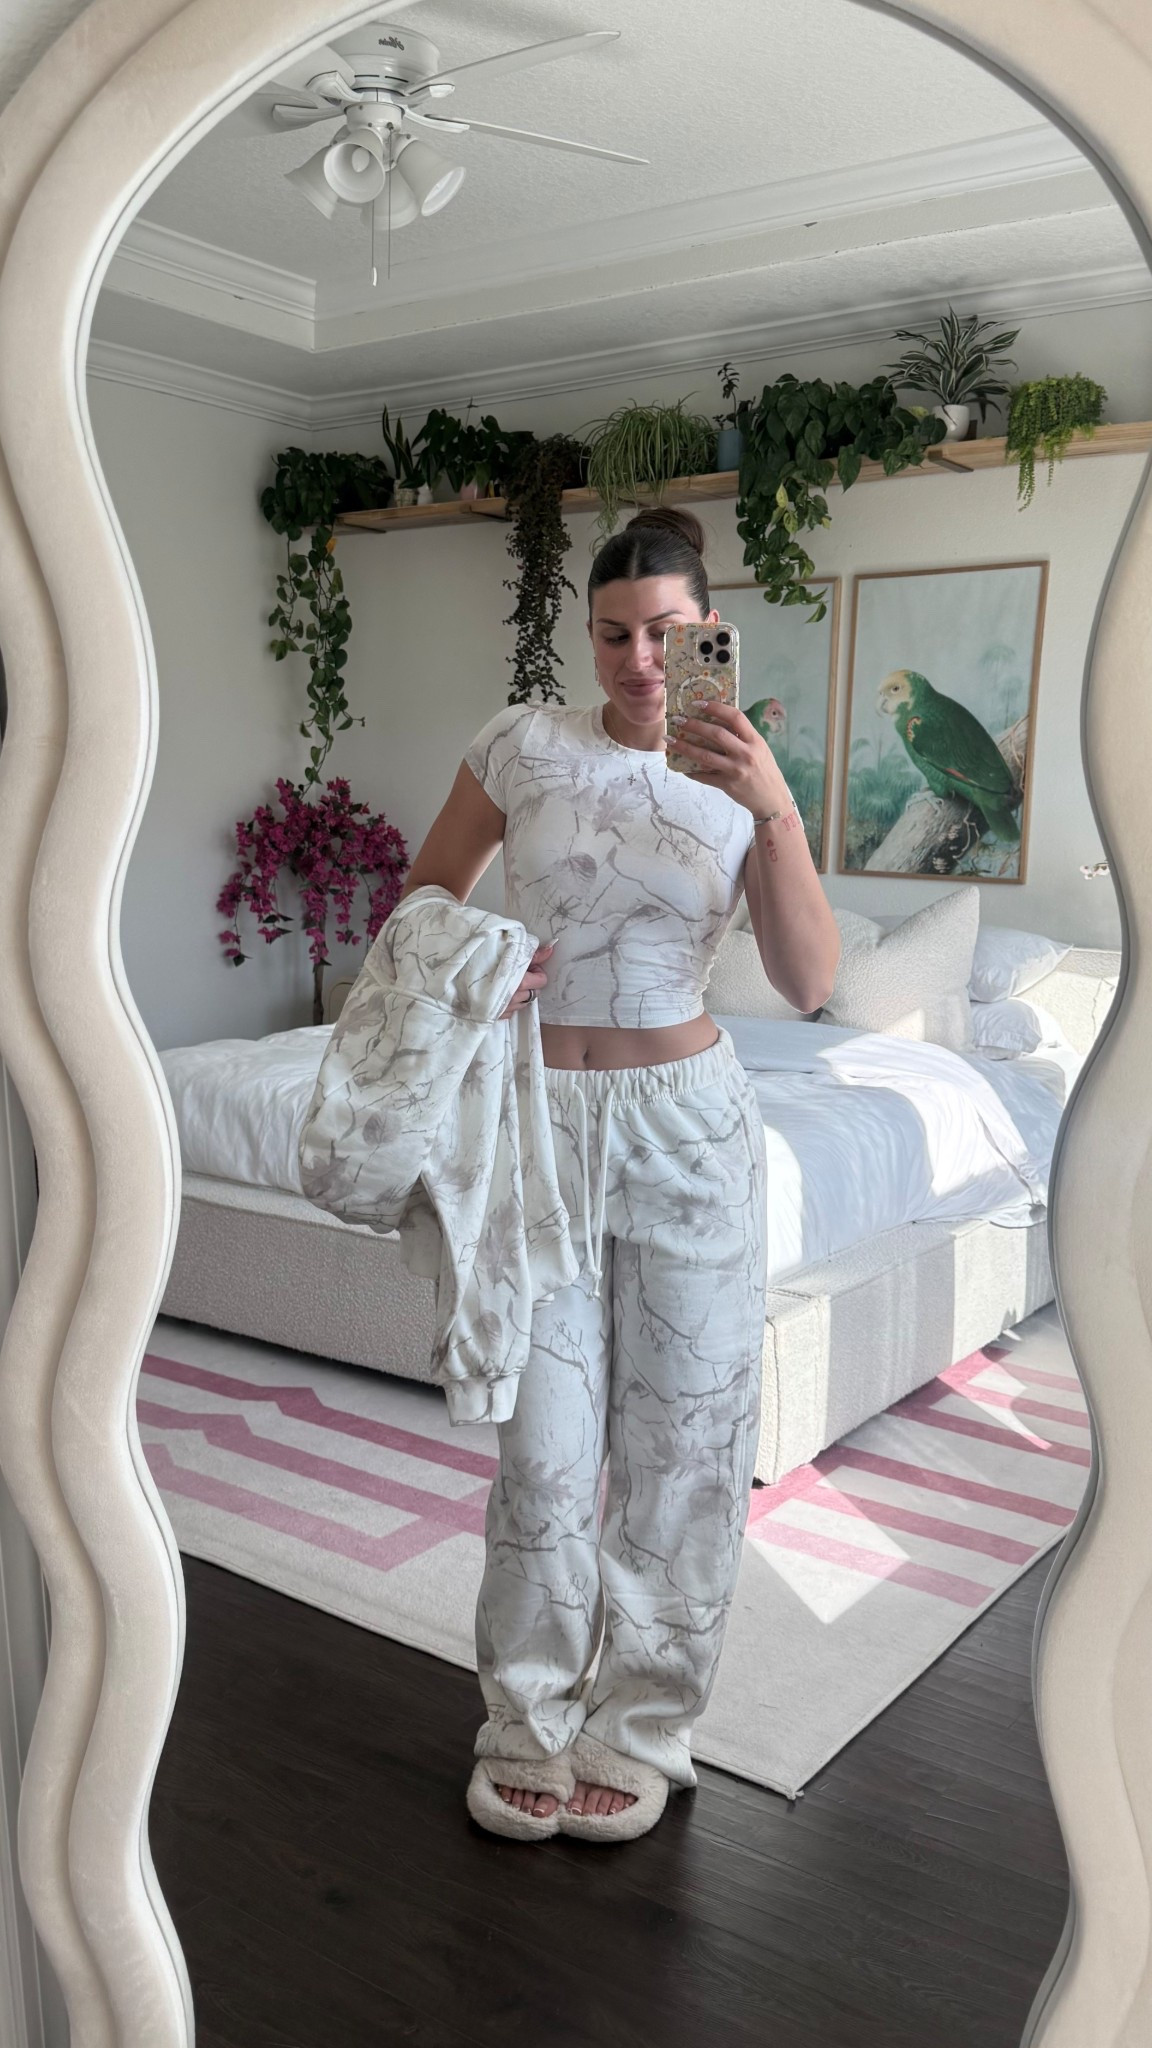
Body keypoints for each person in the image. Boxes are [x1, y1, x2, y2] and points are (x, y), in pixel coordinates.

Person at [397, 506, 840, 1838]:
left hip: (687, 1129)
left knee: (684, 1449)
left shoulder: (746, 773)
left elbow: (810, 981)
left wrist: (773, 808)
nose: (640, 660)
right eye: (612, 634)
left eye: (666, 633)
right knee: (542, 1453)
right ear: (586, 636)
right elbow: (424, 900)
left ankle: (642, 1725)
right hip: (540, 1122)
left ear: (710, 631)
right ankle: (526, 1714)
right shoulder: (521, 745)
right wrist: (485, 963)